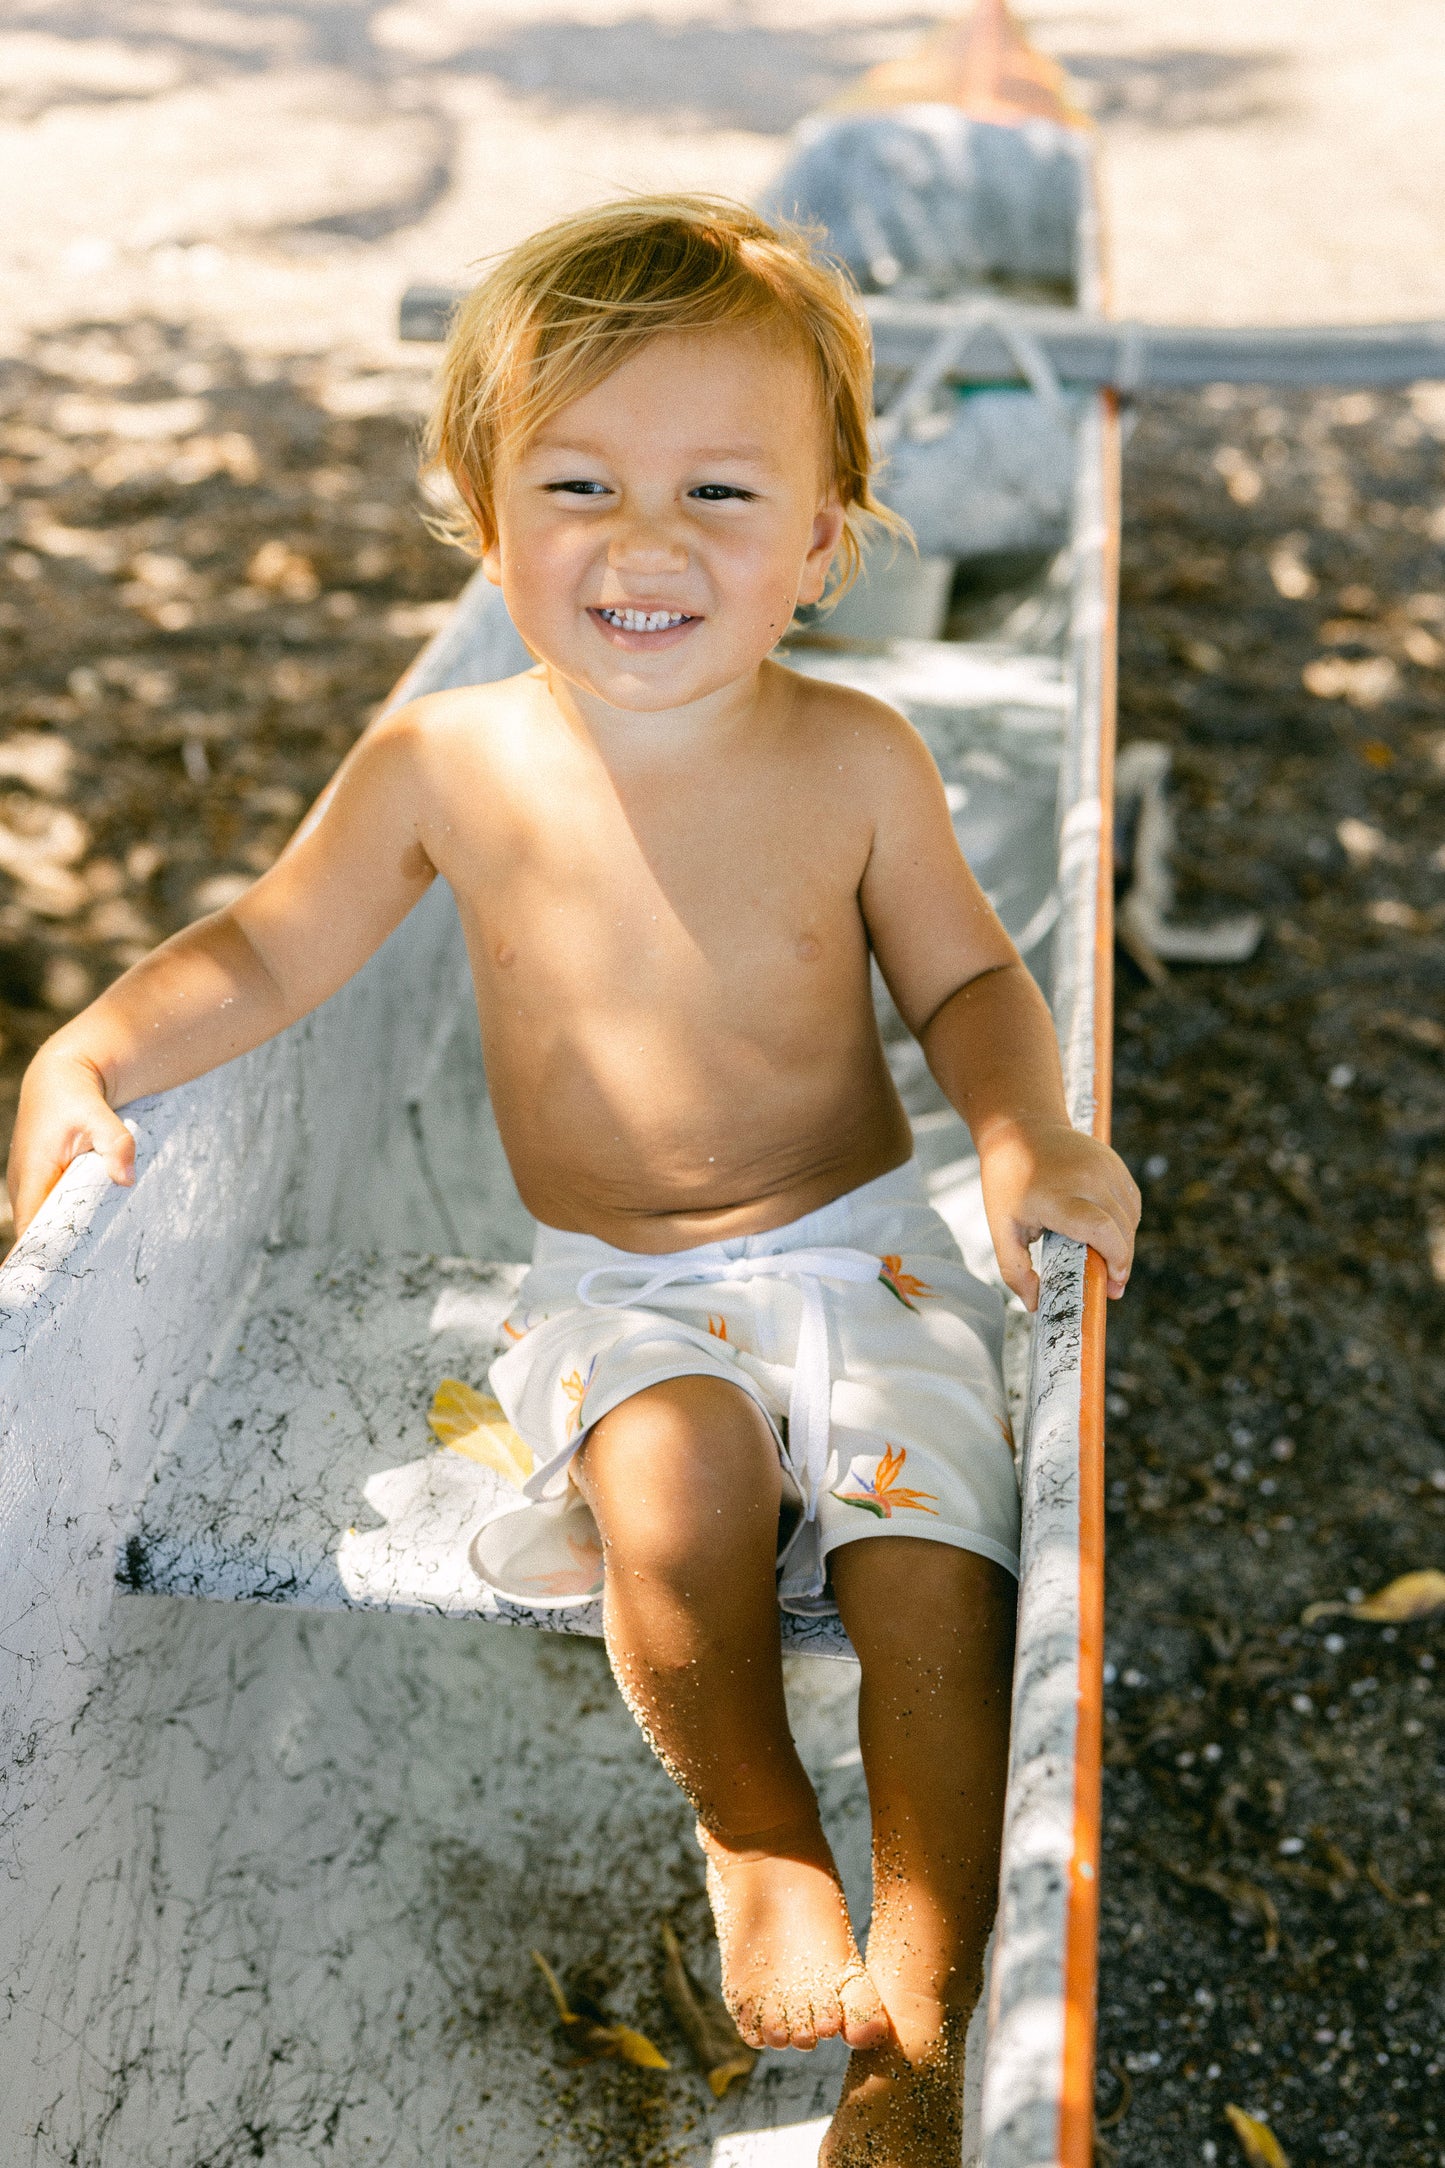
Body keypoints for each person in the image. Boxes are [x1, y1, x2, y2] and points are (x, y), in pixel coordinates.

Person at [7, 197, 1138, 2165]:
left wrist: (1027, 1130)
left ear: (821, 537)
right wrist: (92, 1040)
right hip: (614, 1284)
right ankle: (758, 1830)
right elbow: (274, 951)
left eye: (721, 487)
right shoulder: (446, 764)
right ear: (484, 507)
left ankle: (928, 2029)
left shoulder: (860, 758)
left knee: (933, 1583)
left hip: (865, 1256)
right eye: (581, 481)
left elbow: (966, 973)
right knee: (676, 1478)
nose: (647, 540)